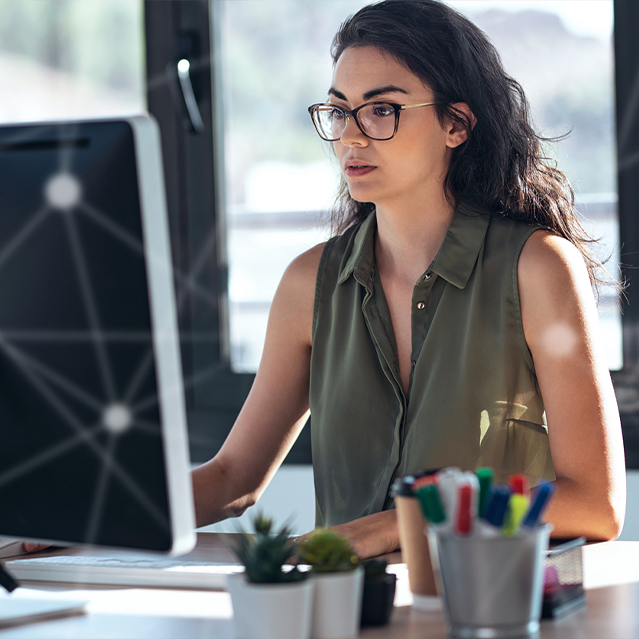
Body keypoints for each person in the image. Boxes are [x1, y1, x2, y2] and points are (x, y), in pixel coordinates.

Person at [192, 0, 626, 559]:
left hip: (488, 607)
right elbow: (231, 479)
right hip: (348, 610)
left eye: (382, 110)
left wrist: (394, 526)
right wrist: (83, 515)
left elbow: (595, 504)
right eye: (339, 110)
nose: (351, 135)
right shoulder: (309, 282)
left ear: (456, 124)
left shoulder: (538, 267)